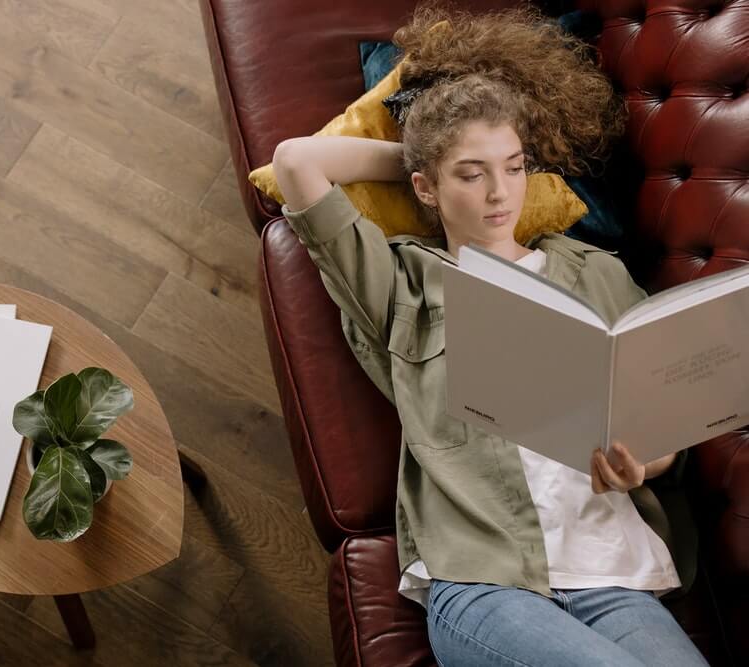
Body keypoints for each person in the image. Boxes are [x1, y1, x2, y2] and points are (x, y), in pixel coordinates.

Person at [272, 71, 708, 667]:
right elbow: (296, 162)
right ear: (426, 188)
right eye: (472, 175)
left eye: (514, 166)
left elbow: (660, 421)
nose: (500, 192)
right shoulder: (403, 287)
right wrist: (426, 154)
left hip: (615, 577)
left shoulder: (596, 273)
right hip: (484, 579)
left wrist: (641, 463)